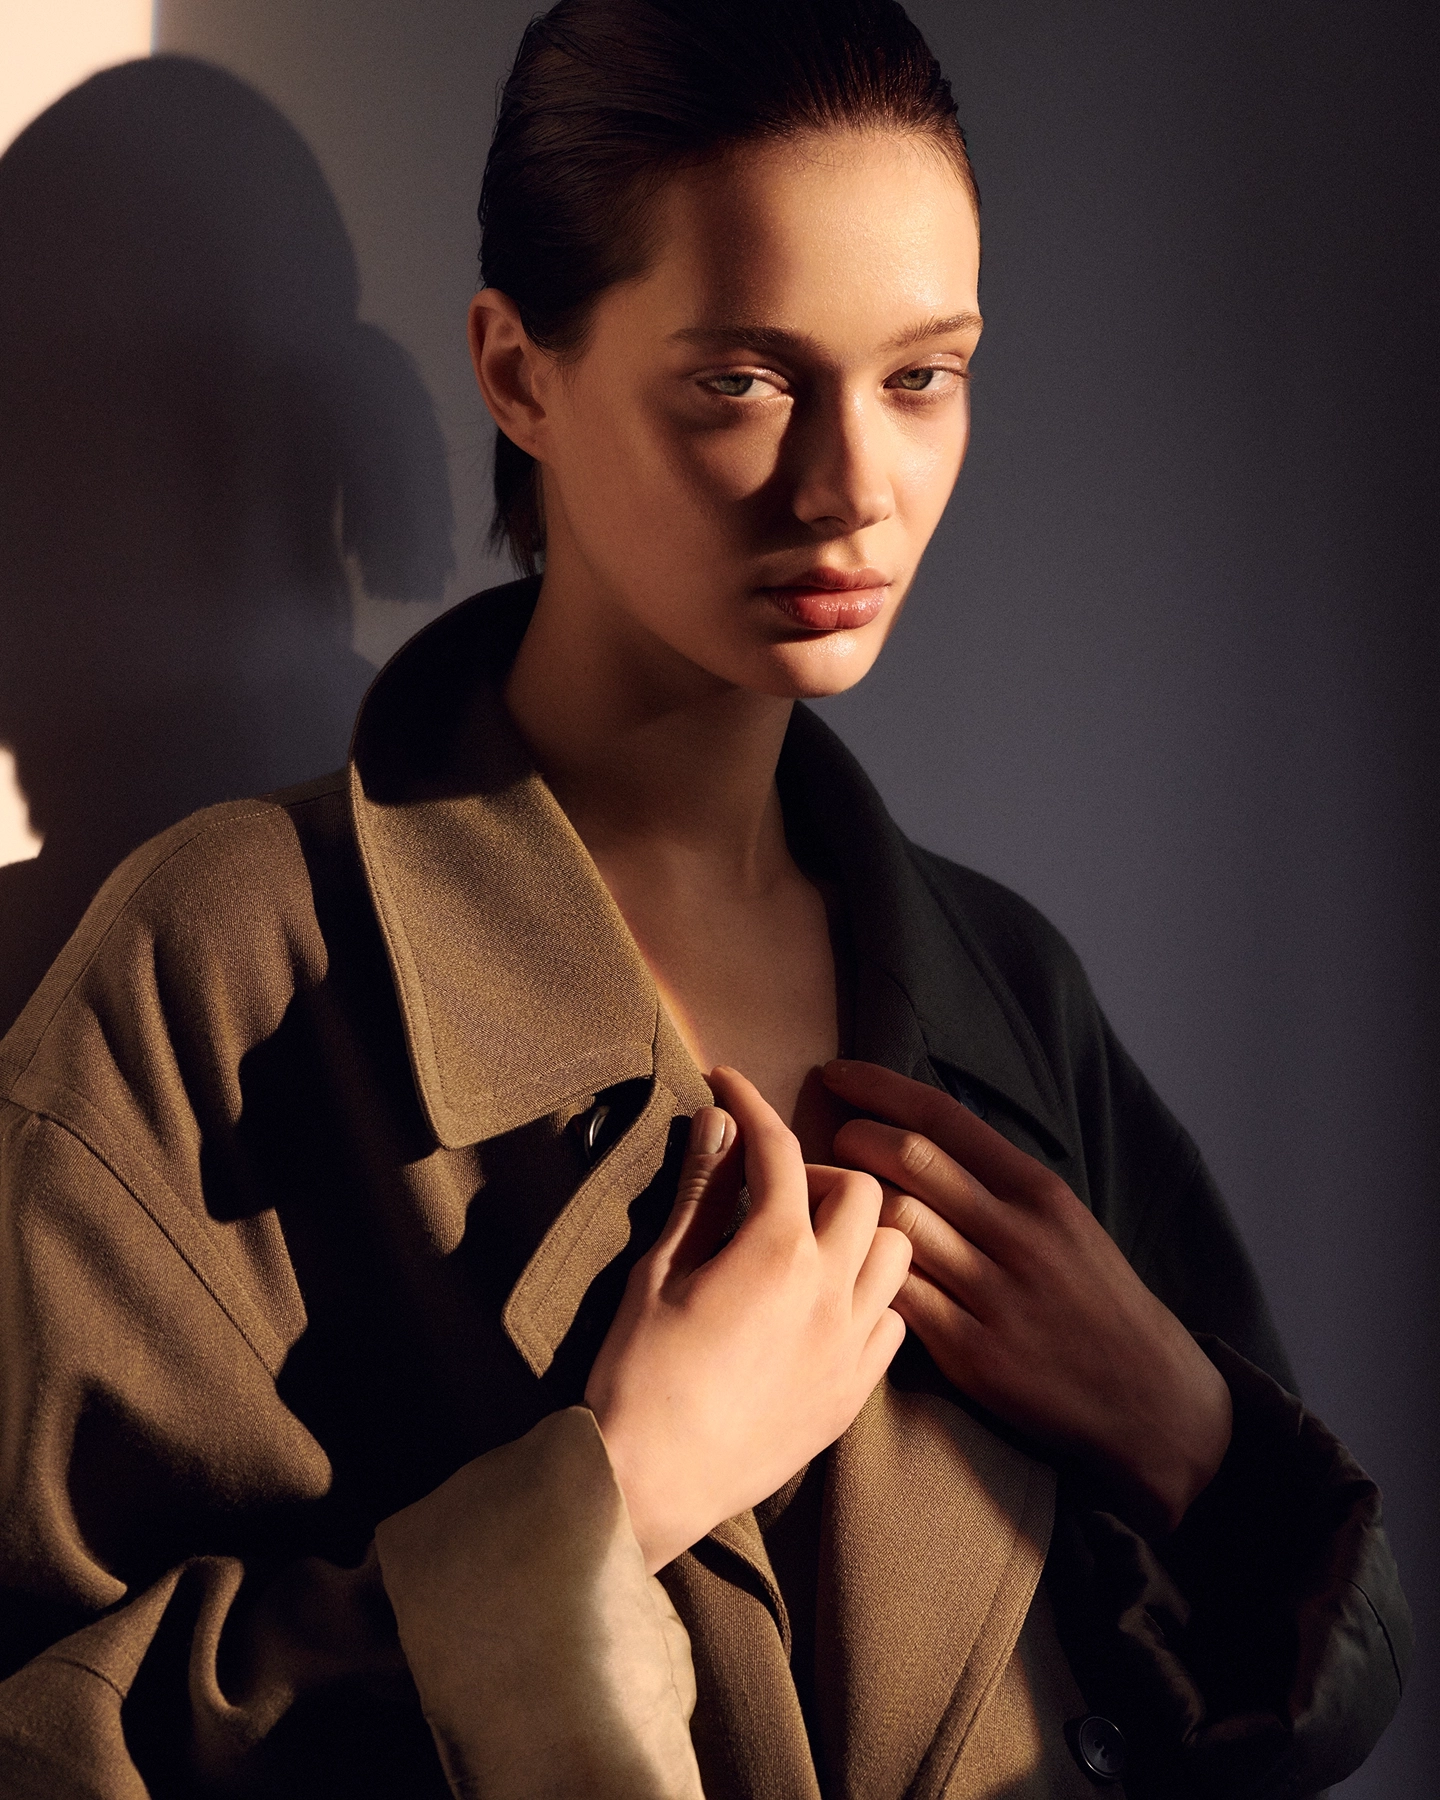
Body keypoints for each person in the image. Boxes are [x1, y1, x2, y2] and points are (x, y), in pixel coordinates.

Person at [0, 2, 1410, 1796]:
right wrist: (611, 1497)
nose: (854, 489)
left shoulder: (1000, 987)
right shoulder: (230, 974)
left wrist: (1180, 1425)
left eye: (923, 377)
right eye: (744, 381)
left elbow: (1316, 1699)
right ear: (518, 373)